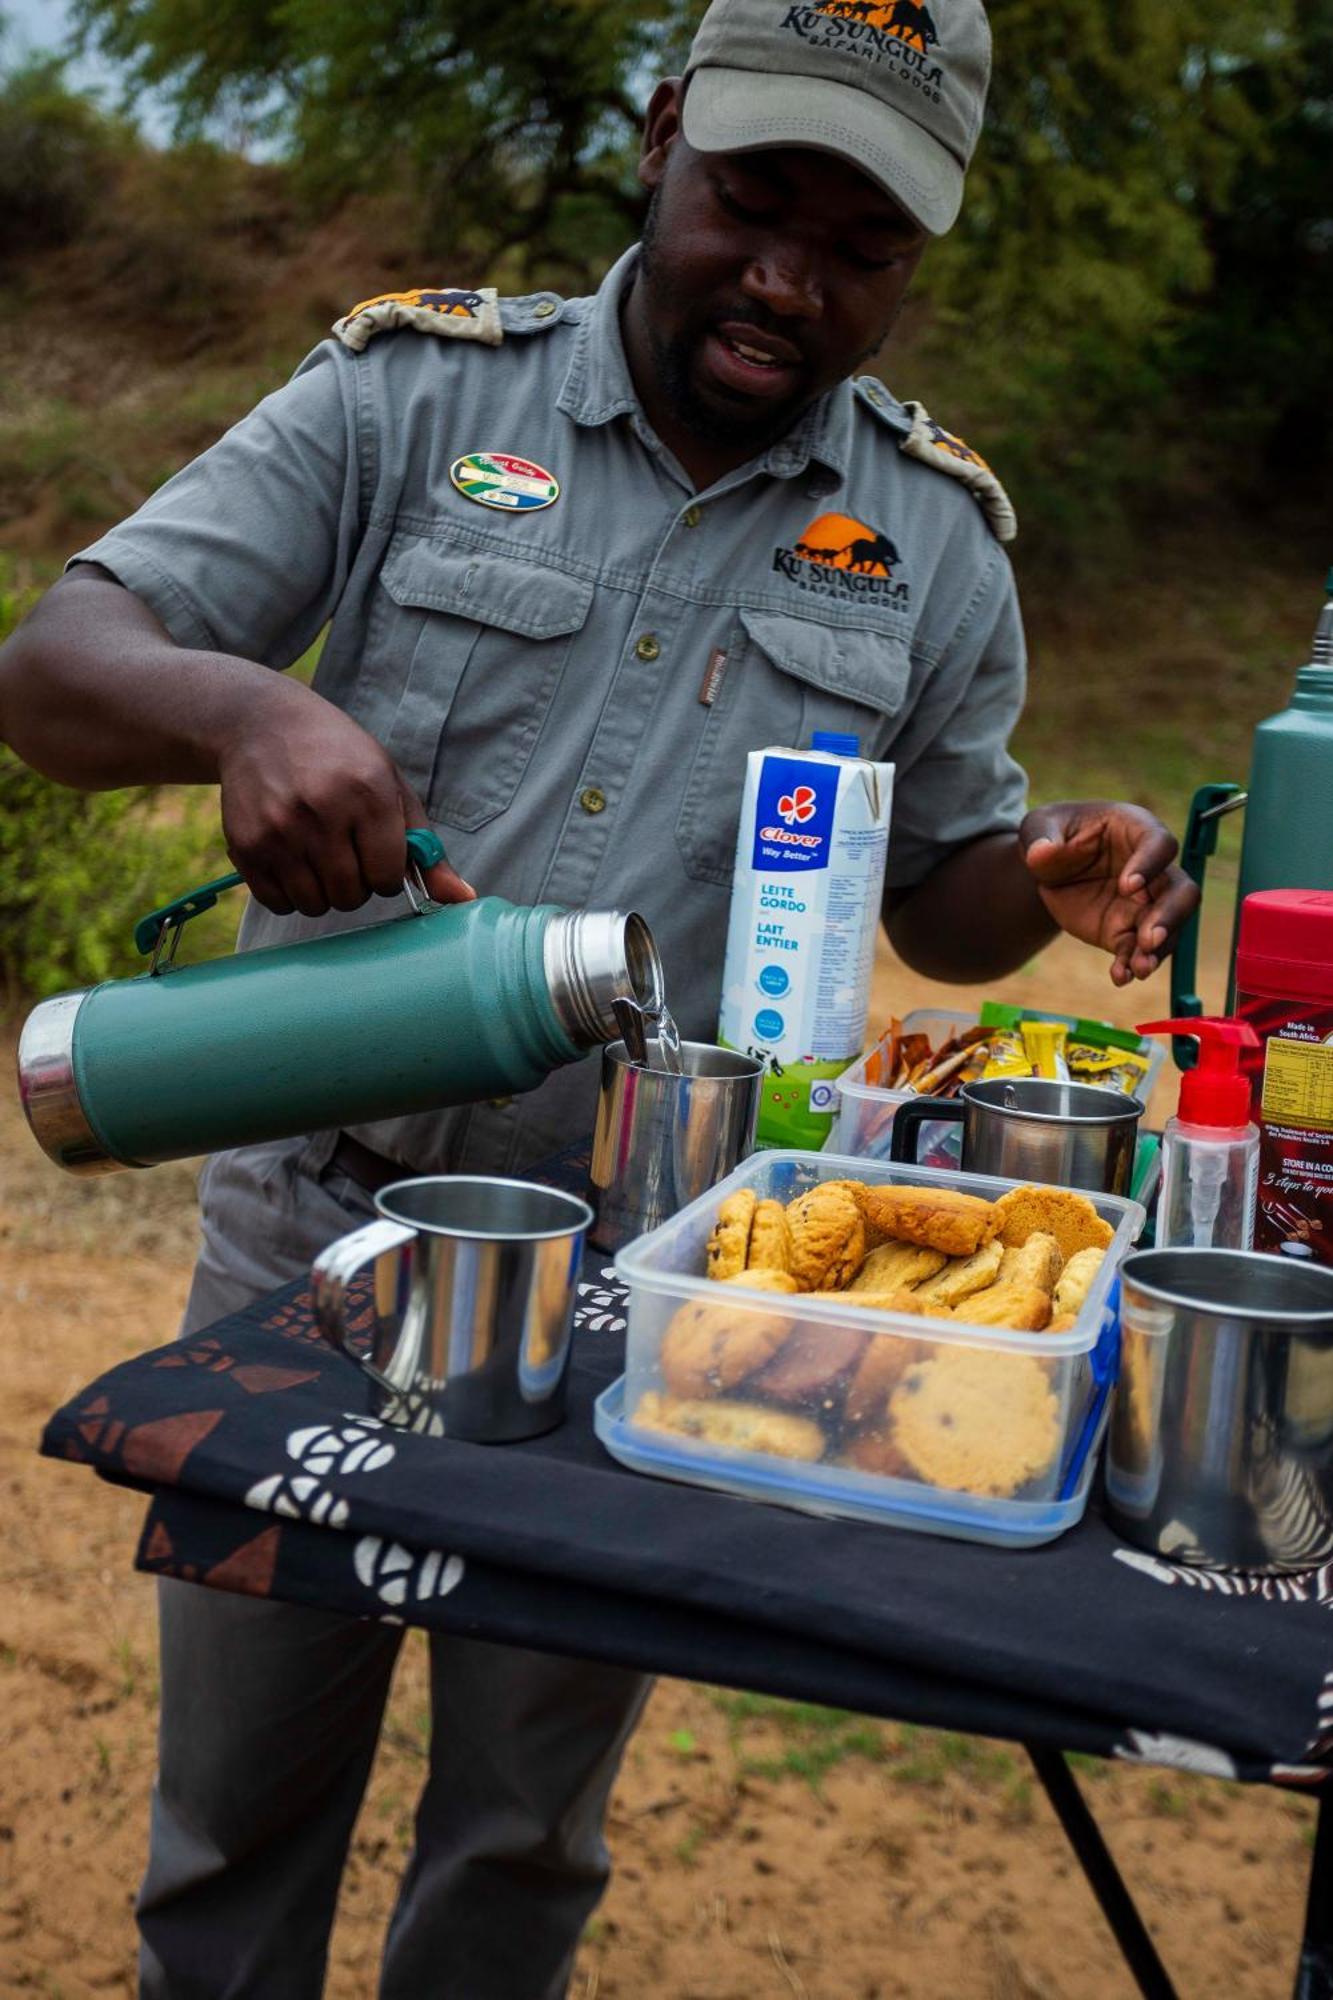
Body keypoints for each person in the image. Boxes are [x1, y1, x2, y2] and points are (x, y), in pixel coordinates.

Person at [0, 0, 1198, 1991]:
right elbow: (53, 663)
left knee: (522, 1841)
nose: (788, 281)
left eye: (862, 247)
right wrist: (248, 709)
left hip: (651, 1288)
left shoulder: (933, 539)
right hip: (320, 1242)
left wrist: (1051, 865)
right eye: (751, 203)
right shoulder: (408, 403)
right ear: (659, 141)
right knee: (232, 1832)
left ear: (922, 259)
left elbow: (952, 900)